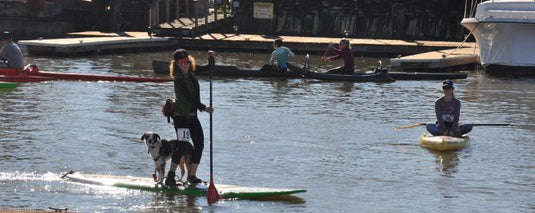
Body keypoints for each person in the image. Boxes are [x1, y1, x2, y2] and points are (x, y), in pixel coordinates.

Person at [165, 49, 214, 186]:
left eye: (187, 61)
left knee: (199, 144)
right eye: (182, 63)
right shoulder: (179, 79)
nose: (185, 64)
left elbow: (208, 68)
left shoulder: (192, 73)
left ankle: (192, 176)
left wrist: (211, 59)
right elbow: (189, 98)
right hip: (181, 117)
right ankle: (170, 176)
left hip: (192, 117)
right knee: (182, 146)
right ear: (177, 64)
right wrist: (204, 108)